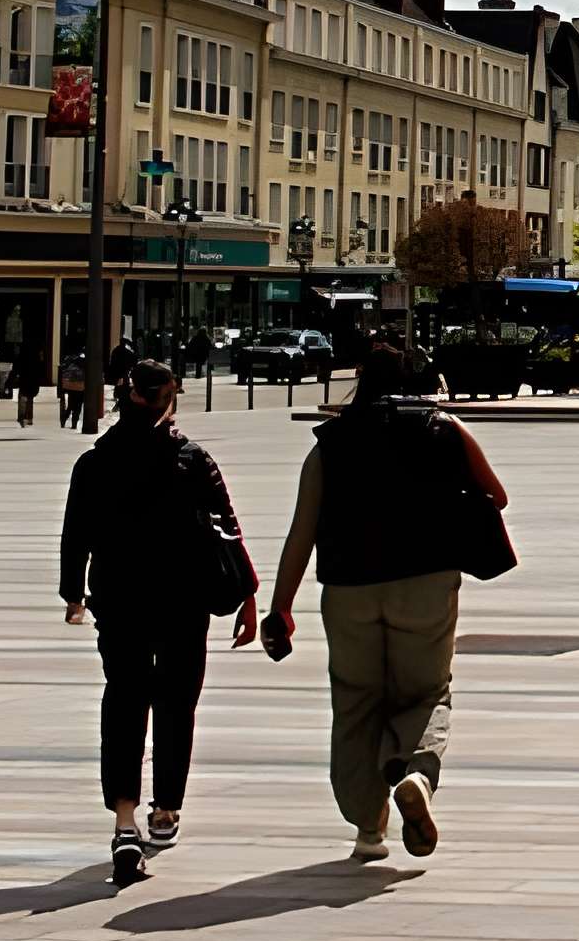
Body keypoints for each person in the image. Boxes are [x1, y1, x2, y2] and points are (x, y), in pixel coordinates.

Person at [263, 340, 511, 863]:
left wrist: (280, 607)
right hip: (425, 582)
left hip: (349, 589)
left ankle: (368, 831)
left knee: (356, 704)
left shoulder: (329, 443)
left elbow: (301, 533)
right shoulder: (442, 427)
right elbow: (498, 495)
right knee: (426, 693)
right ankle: (416, 771)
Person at [58, 361, 257, 886]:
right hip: (181, 601)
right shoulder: (191, 460)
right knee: (175, 701)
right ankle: (165, 808)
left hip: (119, 600)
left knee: (123, 698)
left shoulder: (95, 463)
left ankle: (125, 821)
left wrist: (73, 595)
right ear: (169, 399)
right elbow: (228, 527)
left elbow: (75, 533)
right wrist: (249, 596)